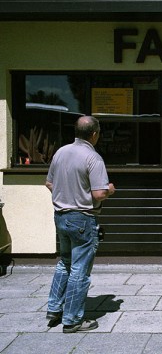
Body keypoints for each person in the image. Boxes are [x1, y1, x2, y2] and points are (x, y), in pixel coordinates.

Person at [45, 115, 115, 333]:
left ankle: (54, 308)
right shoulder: (93, 158)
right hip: (83, 218)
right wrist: (110, 190)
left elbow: (49, 182)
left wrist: (65, 194)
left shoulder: (60, 152)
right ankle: (73, 320)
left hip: (61, 216)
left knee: (64, 262)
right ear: (94, 134)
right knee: (79, 270)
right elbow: (99, 192)